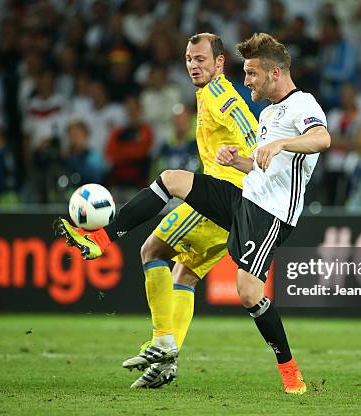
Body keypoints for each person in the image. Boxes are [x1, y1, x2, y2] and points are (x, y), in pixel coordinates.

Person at [55, 32, 331, 394]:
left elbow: (322, 138)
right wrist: (242, 160)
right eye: (189, 59)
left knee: (247, 292)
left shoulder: (300, 103)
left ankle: (290, 373)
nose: (245, 80)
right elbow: (264, 166)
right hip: (245, 195)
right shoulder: (269, 112)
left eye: (251, 74)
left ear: (275, 73)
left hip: (269, 213)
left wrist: (279, 143)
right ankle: (103, 240)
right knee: (172, 186)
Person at [112, 32, 257, 389]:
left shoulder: (222, 96)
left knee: (152, 249)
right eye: (190, 60)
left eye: (201, 59)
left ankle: (162, 340)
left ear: (219, 62)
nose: (194, 65)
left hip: (221, 199)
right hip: (229, 211)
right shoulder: (206, 95)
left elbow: (255, 138)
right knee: (186, 275)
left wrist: (244, 163)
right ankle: (167, 363)